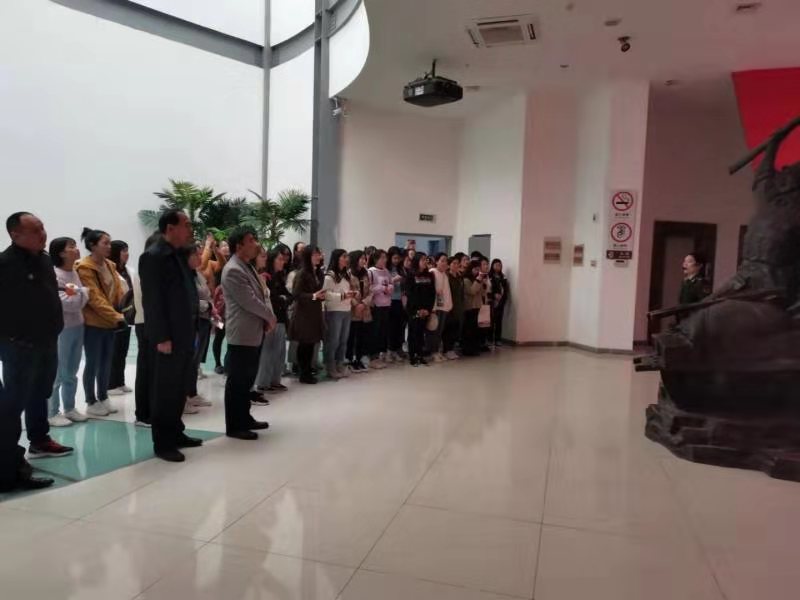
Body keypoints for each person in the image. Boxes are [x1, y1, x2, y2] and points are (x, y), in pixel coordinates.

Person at [1, 213, 71, 493]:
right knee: (12, 407)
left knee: (40, 392)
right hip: (20, 347)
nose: (43, 234)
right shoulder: (5, 264)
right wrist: (12, 338)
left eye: (43, 228)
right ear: (15, 235)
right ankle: (9, 465)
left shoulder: (43, 260)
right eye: (36, 230)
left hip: (47, 341)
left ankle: (39, 440)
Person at [139, 210, 203, 462]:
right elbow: (153, 301)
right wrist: (161, 337)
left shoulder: (178, 255)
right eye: (185, 224)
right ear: (170, 228)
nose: (190, 229)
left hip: (185, 332)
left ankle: (176, 431)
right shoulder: (154, 257)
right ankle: (163, 442)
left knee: (179, 388)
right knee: (164, 390)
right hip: (168, 337)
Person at [222, 227, 275, 438]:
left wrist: (267, 317)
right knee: (238, 381)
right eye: (251, 240)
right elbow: (249, 301)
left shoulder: (247, 266)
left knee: (247, 379)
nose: (256, 244)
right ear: (239, 246)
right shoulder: (233, 269)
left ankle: (244, 417)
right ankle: (235, 425)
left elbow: (263, 294)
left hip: (253, 331)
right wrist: (270, 317)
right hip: (242, 333)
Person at [76, 228, 126, 417]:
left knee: (106, 361)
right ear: (92, 245)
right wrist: (117, 316)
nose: (109, 246)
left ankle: (103, 396)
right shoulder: (84, 268)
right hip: (94, 323)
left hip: (110, 322)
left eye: (109, 242)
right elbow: (95, 298)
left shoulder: (110, 265)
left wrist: (123, 311)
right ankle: (91, 401)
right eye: (105, 243)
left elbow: (118, 291)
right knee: (93, 362)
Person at [48, 237, 90, 427]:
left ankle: (70, 408)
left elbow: (77, 300)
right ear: (61, 253)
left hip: (77, 326)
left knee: (72, 371)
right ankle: (52, 412)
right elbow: (68, 303)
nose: (76, 249)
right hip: (62, 329)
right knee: (58, 372)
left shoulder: (73, 272)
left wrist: (81, 294)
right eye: (71, 247)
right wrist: (84, 293)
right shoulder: (55, 275)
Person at [132, 231, 162, 428]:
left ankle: (153, 409)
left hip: (153, 323)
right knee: (146, 369)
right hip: (147, 324)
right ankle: (143, 414)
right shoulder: (146, 270)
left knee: (154, 370)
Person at [255, 246, 291, 393]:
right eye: (280, 259)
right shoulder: (265, 277)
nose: (283, 262)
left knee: (280, 352)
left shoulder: (279, 277)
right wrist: (282, 299)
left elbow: (289, 296)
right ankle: (263, 382)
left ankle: (275, 380)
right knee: (268, 351)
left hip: (281, 318)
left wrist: (283, 299)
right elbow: (272, 299)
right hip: (270, 318)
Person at [185, 243, 215, 413]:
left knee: (195, 360)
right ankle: (185, 395)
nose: (200, 257)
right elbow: (189, 300)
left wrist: (212, 307)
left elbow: (207, 293)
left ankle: (192, 392)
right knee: (189, 359)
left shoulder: (197, 273)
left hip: (203, 320)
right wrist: (206, 306)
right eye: (196, 254)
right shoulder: (184, 275)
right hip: (192, 320)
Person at [290, 246, 325, 384]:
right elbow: (296, 294)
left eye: (318, 254)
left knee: (311, 343)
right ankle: (303, 372)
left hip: (314, 312)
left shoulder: (319, 272)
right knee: (304, 343)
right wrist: (314, 296)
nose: (318, 257)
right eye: (315, 254)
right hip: (304, 314)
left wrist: (320, 296)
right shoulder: (302, 273)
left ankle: (308, 370)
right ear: (307, 257)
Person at [323, 249, 355, 380]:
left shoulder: (346, 275)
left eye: (347, 256)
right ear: (337, 258)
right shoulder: (329, 276)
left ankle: (340, 363)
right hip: (334, 310)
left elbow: (347, 289)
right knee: (333, 340)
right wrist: (342, 296)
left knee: (343, 340)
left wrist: (352, 294)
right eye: (344, 256)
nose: (347, 259)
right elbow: (326, 294)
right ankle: (330, 366)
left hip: (346, 309)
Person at [108, 240, 134, 396]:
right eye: (124, 250)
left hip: (127, 313)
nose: (127, 254)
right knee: (114, 350)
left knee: (122, 350)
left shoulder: (127, 270)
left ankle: (120, 381)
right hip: (114, 313)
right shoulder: (110, 270)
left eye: (127, 250)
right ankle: (110, 384)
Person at [405, 253, 436, 366]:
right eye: (422, 260)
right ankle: (412, 356)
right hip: (414, 309)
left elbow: (432, 293)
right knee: (413, 332)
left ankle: (420, 354)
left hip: (426, 309)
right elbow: (410, 294)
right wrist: (418, 309)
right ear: (417, 261)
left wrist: (428, 309)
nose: (424, 262)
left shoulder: (430, 275)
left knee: (422, 332)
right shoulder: (410, 275)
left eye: (426, 260)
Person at [347, 250, 372, 373]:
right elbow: (347, 291)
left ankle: (359, 358)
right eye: (361, 258)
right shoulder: (348, 274)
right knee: (352, 336)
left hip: (364, 309)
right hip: (353, 310)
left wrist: (364, 303)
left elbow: (370, 291)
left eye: (364, 259)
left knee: (362, 336)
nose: (363, 261)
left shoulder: (365, 274)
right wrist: (356, 305)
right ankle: (350, 360)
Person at [368, 249, 392, 368]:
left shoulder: (386, 271)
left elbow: (390, 283)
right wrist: (382, 288)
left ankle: (382, 353)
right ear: (376, 259)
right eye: (382, 257)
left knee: (384, 331)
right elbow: (369, 288)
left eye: (385, 257)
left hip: (386, 304)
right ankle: (373, 356)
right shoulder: (371, 271)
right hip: (376, 305)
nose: (384, 260)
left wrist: (390, 288)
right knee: (375, 332)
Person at [426, 252, 453, 362]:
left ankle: (437, 350)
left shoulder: (445, 275)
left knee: (440, 330)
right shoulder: (432, 272)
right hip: (435, 307)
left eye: (446, 261)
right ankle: (432, 352)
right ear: (436, 261)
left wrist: (449, 304)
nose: (444, 263)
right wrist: (432, 308)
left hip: (444, 307)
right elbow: (430, 291)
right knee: (433, 330)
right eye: (442, 260)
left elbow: (447, 292)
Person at [387, 247, 407, 362]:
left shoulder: (401, 269)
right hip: (390, 300)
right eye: (394, 258)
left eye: (398, 258)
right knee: (391, 327)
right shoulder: (386, 269)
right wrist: (394, 280)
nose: (396, 260)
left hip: (400, 300)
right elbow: (384, 283)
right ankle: (389, 350)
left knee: (399, 327)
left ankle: (397, 349)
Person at [443, 255, 464, 360]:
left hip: (458, 306)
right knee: (448, 328)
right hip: (449, 306)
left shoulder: (459, 277)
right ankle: (446, 349)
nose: (456, 265)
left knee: (456, 327)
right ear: (449, 265)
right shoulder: (446, 277)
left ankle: (451, 349)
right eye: (454, 263)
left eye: (457, 263)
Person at [462, 259, 484, 356]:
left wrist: (482, 282)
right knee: (469, 329)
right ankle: (467, 348)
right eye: (475, 269)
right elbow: (472, 291)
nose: (477, 271)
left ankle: (475, 347)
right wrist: (478, 280)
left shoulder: (478, 279)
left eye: (479, 269)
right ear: (470, 269)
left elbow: (482, 292)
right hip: (469, 307)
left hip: (477, 306)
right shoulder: (466, 279)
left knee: (476, 329)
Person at [489, 259, 508, 346]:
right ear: (492, 266)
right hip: (492, 301)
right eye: (496, 265)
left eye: (500, 265)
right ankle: (489, 339)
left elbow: (506, 289)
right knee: (491, 321)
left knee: (499, 321)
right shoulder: (489, 276)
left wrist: (503, 298)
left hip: (501, 302)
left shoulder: (503, 277)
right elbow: (489, 289)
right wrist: (494, 295)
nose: (498, 267)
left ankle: (497, 339)